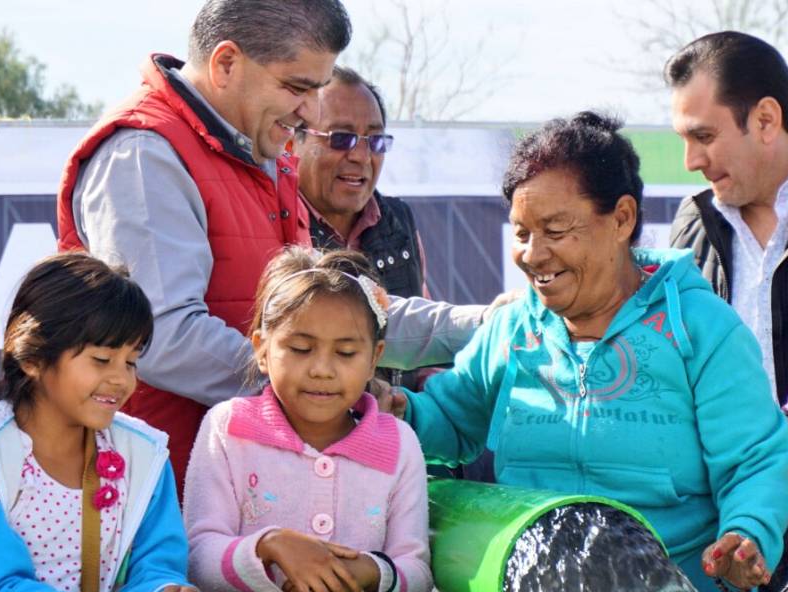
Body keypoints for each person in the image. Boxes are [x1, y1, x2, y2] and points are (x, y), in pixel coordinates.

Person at [56, 0, 486, 494]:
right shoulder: (144, 154)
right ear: (226, 64)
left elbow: (343, 315)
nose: (308, 112)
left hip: (249, 493)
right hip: (153, 498)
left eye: (316, 90)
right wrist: (328, 387)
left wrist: (487, 326)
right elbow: (161, 336)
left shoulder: (262, 154)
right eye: (296, 88)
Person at [386, 112, 788, 592]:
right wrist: (400, 412)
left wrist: (747, 533)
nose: (533, 255)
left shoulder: (701, 328)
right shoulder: (513, 328)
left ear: (622, 219)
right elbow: (452, 421)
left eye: (556, 230)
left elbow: (753, 461)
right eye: (521, 233)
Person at [0, 254, 202, 592]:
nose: (120, 379)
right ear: (34, 358)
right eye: (102, 359)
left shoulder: (145, 452)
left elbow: (158, 564)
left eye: (132, 362)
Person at [184, 248, 432, 592]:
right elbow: (197, 557)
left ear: (374, 358)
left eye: (346, 353)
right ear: (262, 350)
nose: (321, 369)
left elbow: (416, 576)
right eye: (300, 349)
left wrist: (370, 574)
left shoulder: (399, 444)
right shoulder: (229, 428)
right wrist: (270, 547)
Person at [666, 31, 788, 405]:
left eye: (703, 136)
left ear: (766, 120)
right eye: (683, 140)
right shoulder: (694, 221)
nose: (691, 162)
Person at [294, 66, 427, 300]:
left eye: (375, 141)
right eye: (341, 138)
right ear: (293, 141)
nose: (362, 156)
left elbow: (425, 322)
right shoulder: (274, 222)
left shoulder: (399, 221)